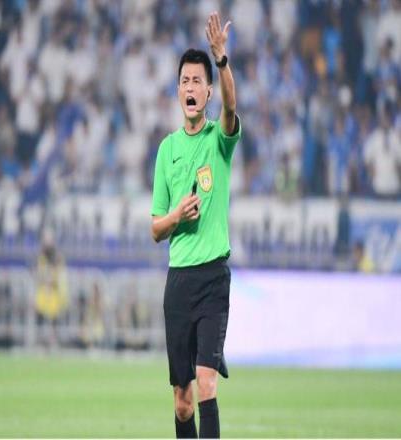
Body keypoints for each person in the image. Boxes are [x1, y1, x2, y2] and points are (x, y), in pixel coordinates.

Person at [150, 12, 241, 439]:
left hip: (213, 278)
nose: (190, 87)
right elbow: (155, 228)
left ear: (207, 92)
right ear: (178, 92)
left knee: (207, 384)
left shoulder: (219, 140)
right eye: (184, 81)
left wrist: (221, 60)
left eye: (197, 82)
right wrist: (176, 216)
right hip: (179, 282)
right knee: (182, 402)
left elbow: (232, 107)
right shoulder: (166, 150)